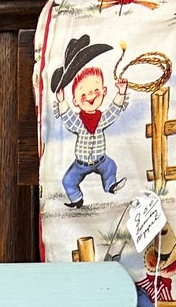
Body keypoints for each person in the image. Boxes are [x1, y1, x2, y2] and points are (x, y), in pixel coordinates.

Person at [49, 33, 130, 206]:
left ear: (104, 91)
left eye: (96, 91)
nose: (91, 96)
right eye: (84, 94)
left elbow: (113, 111)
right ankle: (76, 199)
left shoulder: (101, 120)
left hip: (101, 160)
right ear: (76, 101)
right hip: (81, 164)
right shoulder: (79, 123)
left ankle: (110, 185)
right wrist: (62, 102)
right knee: (68, 180)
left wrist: (121, 93)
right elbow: (69, 119)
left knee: (111, 167)